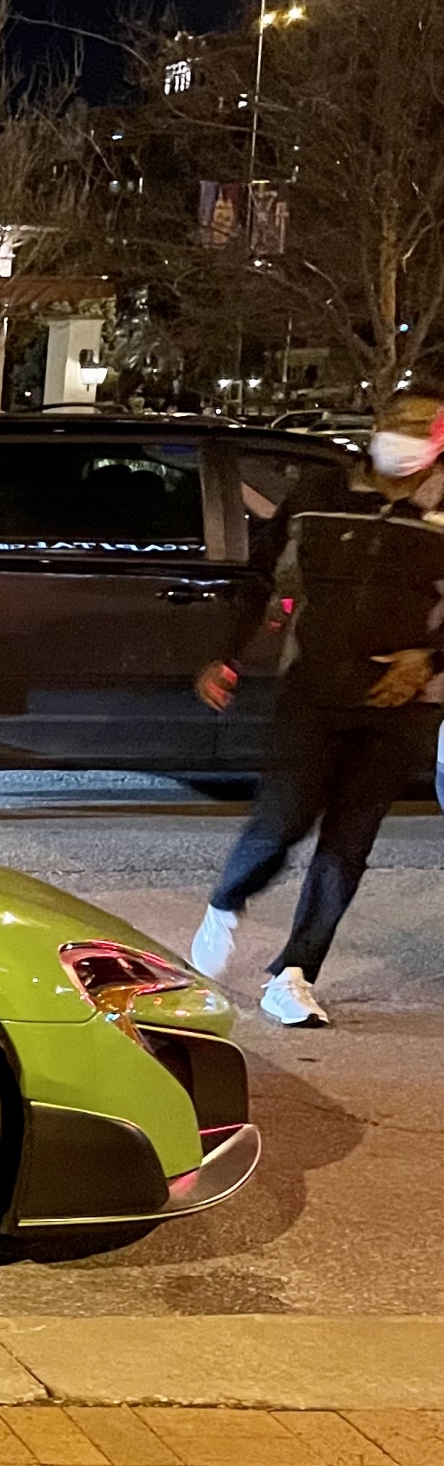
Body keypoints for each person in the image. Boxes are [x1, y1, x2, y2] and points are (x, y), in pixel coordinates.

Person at [189, 385, 444, 1026]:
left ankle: (296, 973)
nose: (408, 437)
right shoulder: (319, 501)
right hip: (314, 692)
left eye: (425, 428)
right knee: (282, 823)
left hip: (404, 705)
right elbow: (258, 576)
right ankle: (226, 903)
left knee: (347, 845)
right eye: (400, 423)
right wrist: (226, 653)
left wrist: (430, 660)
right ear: (377, 426)